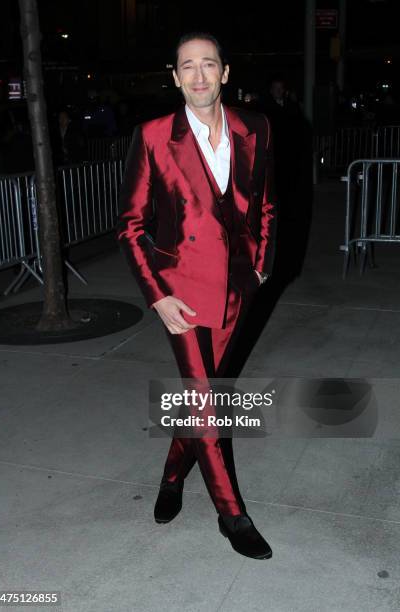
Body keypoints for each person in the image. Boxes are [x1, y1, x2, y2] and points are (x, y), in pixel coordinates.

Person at [117, 32, 277, 560]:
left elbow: (265, 207)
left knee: (202, 399)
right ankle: (233, 516)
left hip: (237, 289)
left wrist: (258, 267)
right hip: (180, 294)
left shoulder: (256, 127)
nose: (200, 75)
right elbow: (132, 226)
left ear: (225, 73)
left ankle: (170, 478)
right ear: (175, 76)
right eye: (189, 66)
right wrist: (157, 294)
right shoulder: (155, 134)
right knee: (209, 408)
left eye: (209, 64)